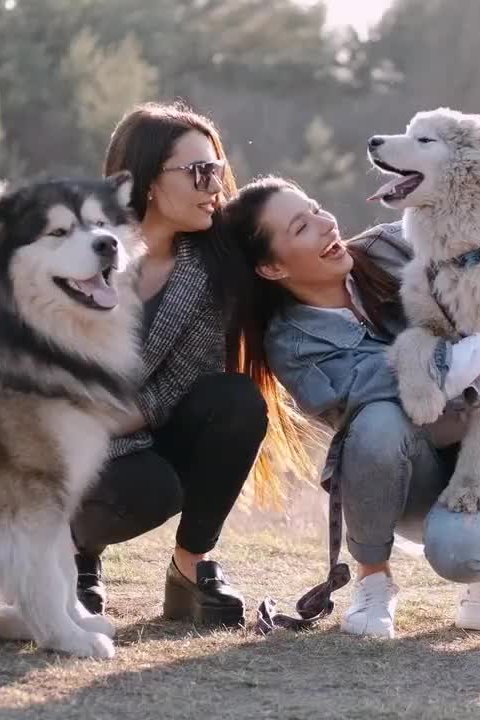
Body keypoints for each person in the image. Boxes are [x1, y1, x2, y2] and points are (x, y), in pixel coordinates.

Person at [221, 177, 480, 638]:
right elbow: (402, 385)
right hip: (409, 479)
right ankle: (373, 583)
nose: (327, 225)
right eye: (302, 227)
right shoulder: (292, 342)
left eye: (317, 208)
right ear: (271, 269)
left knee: (462, 554)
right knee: (378, 419)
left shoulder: (397, 244)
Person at [70, 104, 310, 628]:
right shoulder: (75, 250)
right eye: (199, 172)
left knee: (235, 403)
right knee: (126, 483)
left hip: (138, 427)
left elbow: (185, 382)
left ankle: (190, 568)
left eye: (217, 170)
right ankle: (71, 559)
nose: (214, 186)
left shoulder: (208, 270)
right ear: (148, 182)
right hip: (55, 436)